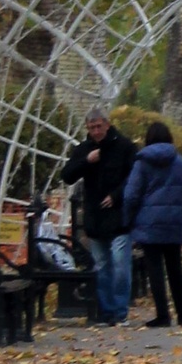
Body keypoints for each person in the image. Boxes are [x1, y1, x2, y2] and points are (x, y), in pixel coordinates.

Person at [59, 108, 138, 326]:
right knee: (102, 265)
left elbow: (134, 176)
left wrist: (117, 195)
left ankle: (120, 311)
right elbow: (67, 175)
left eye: (99, 126)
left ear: (107, 124)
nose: (96, 131)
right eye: (91, 128)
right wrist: (86, 161)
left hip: (119, 217)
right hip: (95, 217)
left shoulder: (124, 147)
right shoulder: (84, 150)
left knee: (120, 264)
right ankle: (106, 311)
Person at [122, 119, 182, 328]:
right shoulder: (181, 163)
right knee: (175, 266)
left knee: (155, 269)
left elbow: (131, 195)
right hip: (174, 222)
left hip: (149, 224)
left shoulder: (142, 163)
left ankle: (162, 315)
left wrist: (129, 219)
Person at [31, 185, 78, 272]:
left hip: (51, 257)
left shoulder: (43, 225)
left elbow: (48, 247)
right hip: (50, 258)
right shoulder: (43, 225)